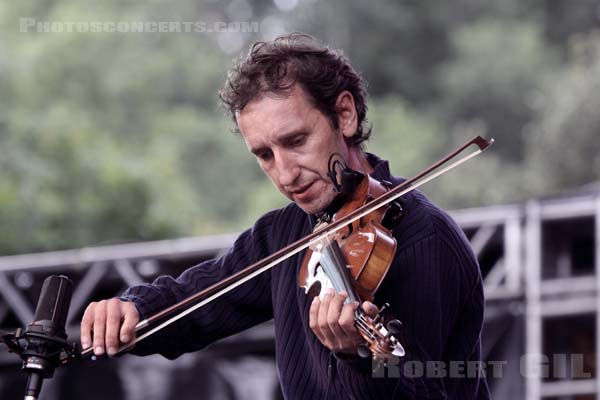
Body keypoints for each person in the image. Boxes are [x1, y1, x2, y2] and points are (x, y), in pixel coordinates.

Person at [80, 33, 490, 399]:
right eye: (264, 155)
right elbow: (200, 298)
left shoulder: (423, 239)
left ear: (344, 115)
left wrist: (358, 356)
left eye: (296, 141)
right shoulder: (285, 233)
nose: (285, 173)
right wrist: (132, 308)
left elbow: (423, 389)